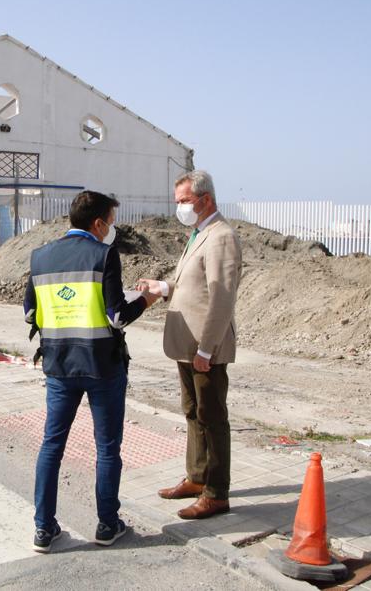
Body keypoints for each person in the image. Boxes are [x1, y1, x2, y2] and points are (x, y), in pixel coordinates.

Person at [25, 190, 157, 552]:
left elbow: (30, 314)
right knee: (107, 448)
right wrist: (149, 298)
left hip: (59, 367)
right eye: (111, 222)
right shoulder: (104, 255)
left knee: (52, 445)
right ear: (98, 223)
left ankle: (43, 529)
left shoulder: (40, 257)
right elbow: (116, 316)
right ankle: (107, 524)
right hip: (102, 367)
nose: (112, 229)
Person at [137, 170, 242, 520]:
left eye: (185, 202)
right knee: (193, 412)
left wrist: (207, 349)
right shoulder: (199, 233)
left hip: (204, 346)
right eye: (178, 202)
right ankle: (197, 477)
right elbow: (192, 285)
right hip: (187, 345)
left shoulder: (221, 236)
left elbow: (222, 298)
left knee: (212, 417)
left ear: (206, 200)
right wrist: (164, 288)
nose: (180, 208)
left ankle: (216, 493)